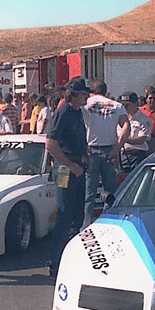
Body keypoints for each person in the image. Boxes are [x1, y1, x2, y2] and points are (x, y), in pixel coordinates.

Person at [46, 77, 91, 278]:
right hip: (66, 170)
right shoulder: (62, 113)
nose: (86, 96)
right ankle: (55, 263)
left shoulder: (77, 112)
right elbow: (51, 144)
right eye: (83, 93)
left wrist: (84, 158)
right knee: (64, 214)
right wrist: (71, 165)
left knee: (76, 215)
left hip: (77, 166)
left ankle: (70, 259)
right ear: (73, 94)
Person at [83, 79, 130, 228]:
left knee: (89, 192)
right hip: (110, 149)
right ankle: (110, 221)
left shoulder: (86, 104)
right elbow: (126, 126)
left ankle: (86, 225)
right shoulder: (117, 105)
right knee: (111, 191)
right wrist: (117, 148)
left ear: (92, 91)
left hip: (90, 149)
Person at [117, 91, 152, 172]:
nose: (125, 107)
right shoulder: (121, 118)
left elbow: (141, 139)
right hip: (122, 155)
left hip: (137, 155)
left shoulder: (144, 119)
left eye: (127, 105)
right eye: (123, 105)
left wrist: (124, 139)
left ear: (136, 103)